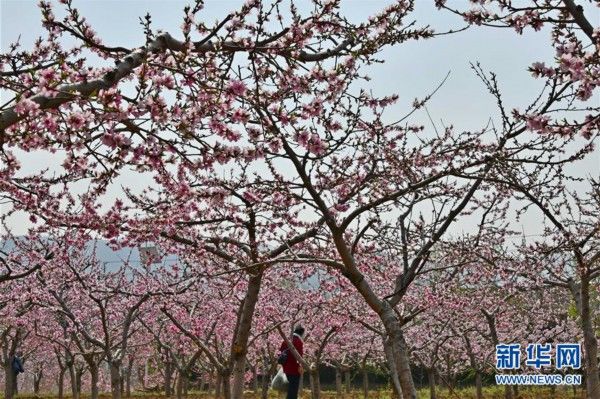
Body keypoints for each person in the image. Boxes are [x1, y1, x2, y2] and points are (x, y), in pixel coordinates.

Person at [279, 325, 305, 399]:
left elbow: (280, 353)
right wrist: (300, 366)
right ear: (301, 333)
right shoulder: (298, 341)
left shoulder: (286, 340)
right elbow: (299, 356)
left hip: (286, 368)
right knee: (293, 390)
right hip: (295, 369)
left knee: (290, 388)